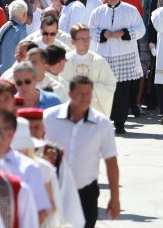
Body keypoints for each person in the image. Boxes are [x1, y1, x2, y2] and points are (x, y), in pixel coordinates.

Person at [42, 76, 121, 228]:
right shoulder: (49, 118)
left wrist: (115, 197)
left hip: (85, 195)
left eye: (89, 94)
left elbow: (111, 162)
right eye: (81, 94)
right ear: (70, 94)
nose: (86, 98)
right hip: (52, 191)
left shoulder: (102, 124)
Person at [88, 0, 145, 134]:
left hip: (124, 55)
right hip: (104, 55)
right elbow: (90, 30)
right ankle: (104, 121)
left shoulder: (131, 10)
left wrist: (124, 33)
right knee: (104, 90)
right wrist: (103, 33)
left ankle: (120, 123)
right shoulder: (98, 12)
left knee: (122, 92)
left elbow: (141, 30)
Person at [60, 24, 116, 117]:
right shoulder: (65, 61)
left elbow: (110, 85)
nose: (86, 42)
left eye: (88, 38)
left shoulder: (99, 61)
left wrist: (91, 89)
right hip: (70, 110)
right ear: (72, 41)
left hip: (93, 110)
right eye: (82, 39)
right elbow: (59, 85)